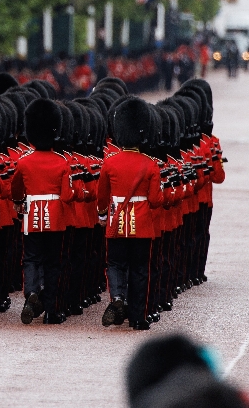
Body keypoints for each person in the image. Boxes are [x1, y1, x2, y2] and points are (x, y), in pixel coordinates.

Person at [97, 97, 165, 331]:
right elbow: (156, 201)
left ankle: (117, 299)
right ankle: (138, 318)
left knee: (115, 264)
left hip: (116, 222)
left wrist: (103, 215)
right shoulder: (150, 165)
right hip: (142, 225)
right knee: (139, 270)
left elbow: (102, 197)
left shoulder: (110, 163)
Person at [11, 98, 77, 325]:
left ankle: (31, 294)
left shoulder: (24, 162)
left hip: (31, 215)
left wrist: (19, 202)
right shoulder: (62, 162)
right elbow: (67, 196)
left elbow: (16, 190)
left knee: (30, 258)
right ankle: (51, 311)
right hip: (55, 217)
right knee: (52, 263)